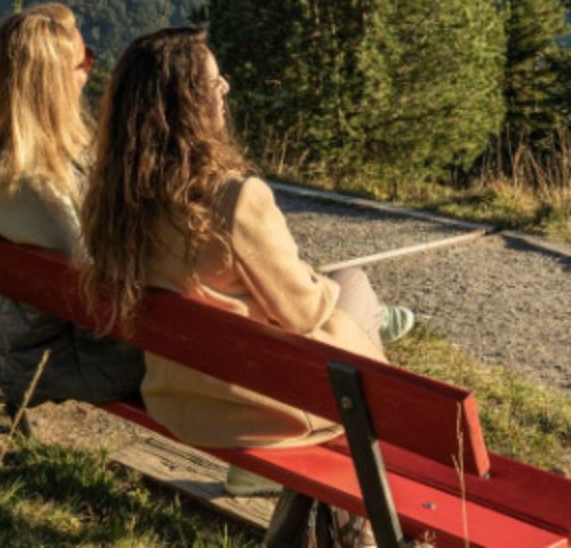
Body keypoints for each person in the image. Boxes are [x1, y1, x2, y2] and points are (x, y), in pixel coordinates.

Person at [79, 26, 412, 508]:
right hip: (262, 410)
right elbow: (304, 314)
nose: (226, 90)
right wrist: (308, 275)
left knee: (346, 288)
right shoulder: (234, 199)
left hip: (180, 397)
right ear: (190, 105)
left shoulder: (118, 197)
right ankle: (361, 493)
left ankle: (378, 321)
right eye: (215, 84)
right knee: (352, 287)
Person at [0, 3, 144, 406]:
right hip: (64, 360)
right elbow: (99, 288)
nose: (90, 72)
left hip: (21, 332)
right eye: (85, 62)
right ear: (52, 85)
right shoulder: (36, 193)